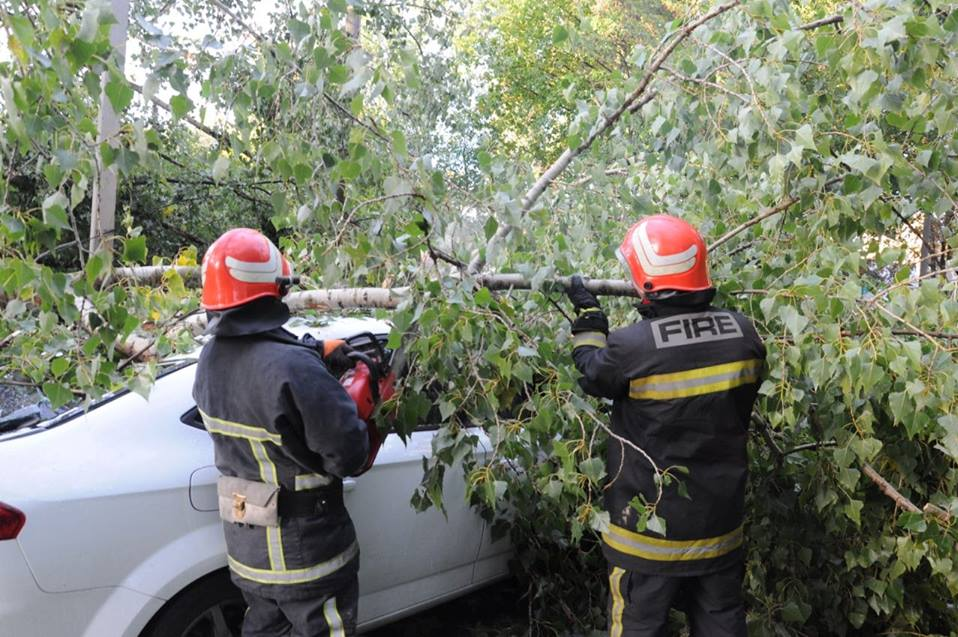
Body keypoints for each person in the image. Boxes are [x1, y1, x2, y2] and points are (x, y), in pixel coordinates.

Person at [566, 215, 766, 637]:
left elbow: (592, 371)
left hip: (647, 541)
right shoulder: (744, 335)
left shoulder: (631, 346)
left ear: (645, 278)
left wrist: (589, 320)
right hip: (718, 530)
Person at [192, 228, 370, 636]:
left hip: (250, 556)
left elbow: (260, 372)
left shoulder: (209, 361)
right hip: (309, 558)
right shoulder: (294, 369)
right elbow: (349, 455)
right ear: (275, 289)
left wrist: (316, 349)